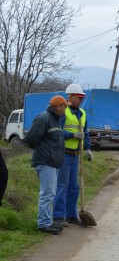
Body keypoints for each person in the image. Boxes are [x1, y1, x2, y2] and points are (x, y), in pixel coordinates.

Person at [24, 95, 70, 234]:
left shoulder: (55, 120)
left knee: (51, 193)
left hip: (52, 162)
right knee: (47, 193)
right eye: (65, 106)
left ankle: (48, 221)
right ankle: (44, 224)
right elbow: (30, 140)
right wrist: (46, 152)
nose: (66, 109)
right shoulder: (44, 119)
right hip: (45, 162)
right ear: (58, 106)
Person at [53, 84, 93, 227]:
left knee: (74, 187)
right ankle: (58, 216)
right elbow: (57, 131)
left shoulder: (82, 113)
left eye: (82, 97)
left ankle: (71, 215)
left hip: (77, 154)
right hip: (64, 154)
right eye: (79, 97)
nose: (81, 100)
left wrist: (88, 148)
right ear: (70, 97)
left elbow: (86, 132)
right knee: (62, 186)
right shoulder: (63, 112)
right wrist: (72, 135)